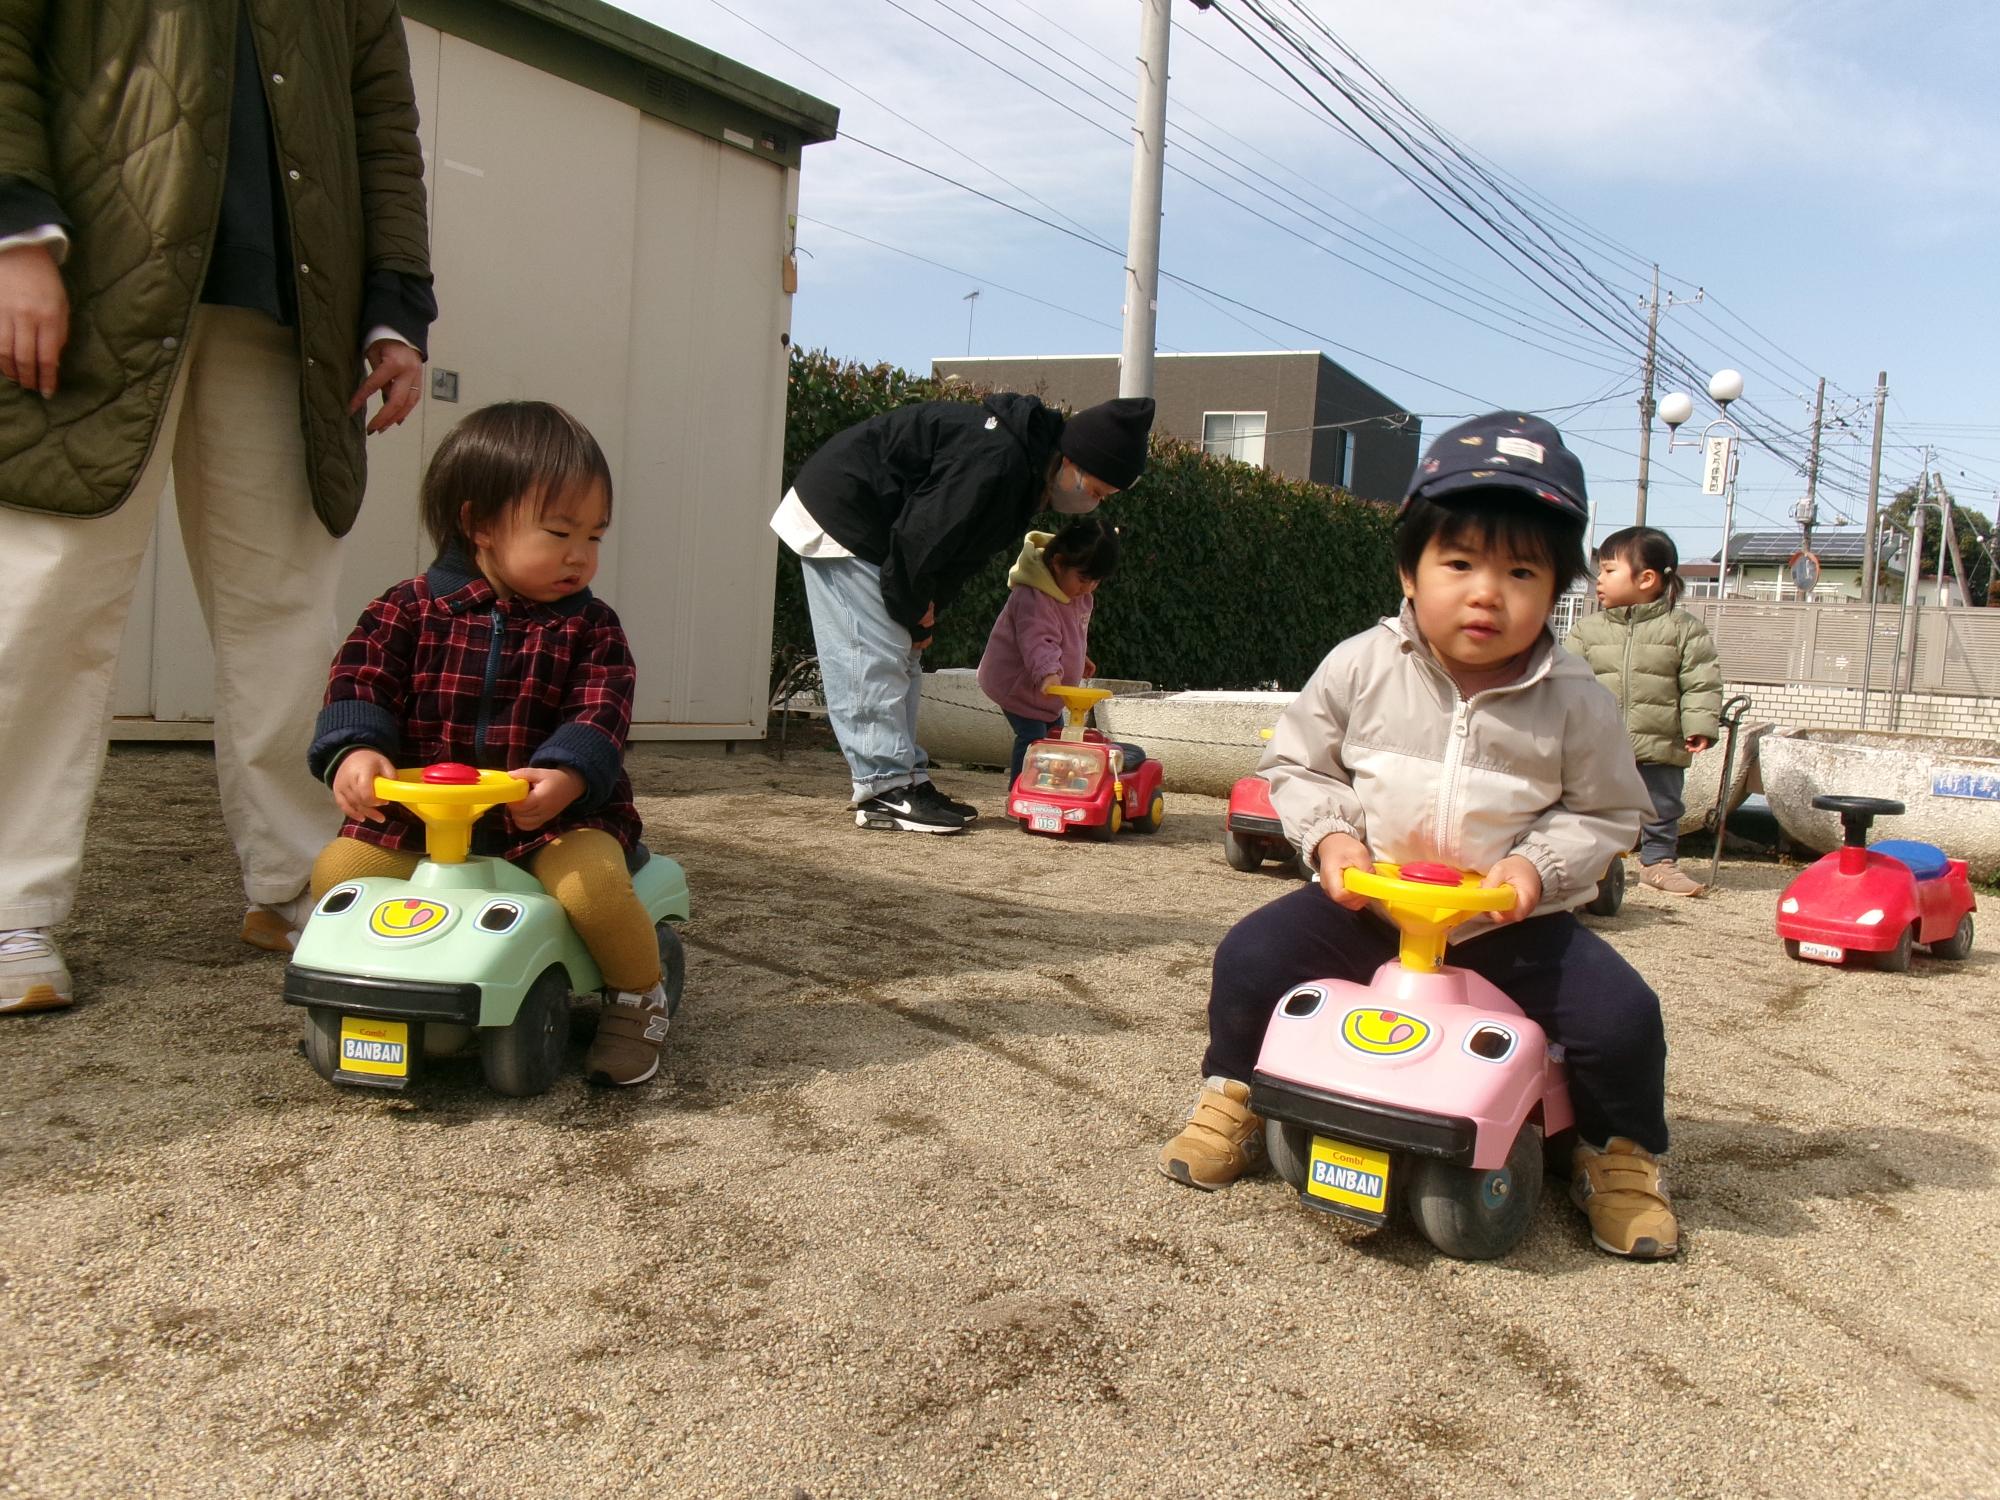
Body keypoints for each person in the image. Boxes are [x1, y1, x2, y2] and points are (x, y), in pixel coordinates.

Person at [1157, 413, 1683, 1260]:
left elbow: (1607, 811)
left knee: (1622, 1017)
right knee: (1252, 959)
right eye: (1460, 563)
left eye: (1521, 571)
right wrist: (1333, 840)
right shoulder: (1361, 664)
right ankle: (1237, 1091)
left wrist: (1535, 868)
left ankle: (1617, 1153)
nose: (1487, 593)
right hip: (1370, 903)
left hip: (1506, 922)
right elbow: (1298, 763)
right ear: (1410, 569)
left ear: (1557, 590)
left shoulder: (1576, 697)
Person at [0, 1, 437, 1014]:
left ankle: (304, 883)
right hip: (95, 275)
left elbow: (382, 119)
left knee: (287, 613)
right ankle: (10, 902)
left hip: (294, 310)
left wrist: (395, 302)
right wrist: (14, 227)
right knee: (49, 602)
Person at [306, 402, 669, 1087]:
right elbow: (359, 681)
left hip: (550, 820)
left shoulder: (590, 627)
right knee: (338, 874)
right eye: (558, 531)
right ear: (479, 525)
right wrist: (355, 749)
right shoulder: (405, 609)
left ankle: (637, 998)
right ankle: (369, 986)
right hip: (421, 821)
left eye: (594, 536)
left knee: (592, 889)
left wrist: (567, 774)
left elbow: (602, 709)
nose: (580, 555)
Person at [773, 392, 1155, 833]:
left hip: (882, 529)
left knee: (903, 656)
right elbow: (923, 535)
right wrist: (912, 608)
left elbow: (960, 551)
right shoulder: (998, 459)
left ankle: (907, 778)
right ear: (1073, 461)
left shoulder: (1027, 475)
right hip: (846, 510)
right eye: (1096, 491)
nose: (1093, 503)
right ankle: (883, 788)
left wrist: (925, 611)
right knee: (873, 654)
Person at [1564, 527, 1722, 897]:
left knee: (1661, 805)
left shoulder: (1684, 630)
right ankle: (1595, 863)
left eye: (1609, 570)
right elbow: (1566, 683)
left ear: (1646, 578)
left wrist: (1700, 725)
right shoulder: (1587, 630)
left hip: (1660, 740)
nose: (1599, 579)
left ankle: (1658, 863)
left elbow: (1701, 682)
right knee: (1593, 805)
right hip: (1599, 745)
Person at [976, 516, 1120, 784]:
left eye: (1096, 581)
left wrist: (1078, 656)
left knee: (1055, 740)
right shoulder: (1033, 596)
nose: (1088, 588)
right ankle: (1020, 793)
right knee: (1034, 740)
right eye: (1083, 579)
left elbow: (1067, 631)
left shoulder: (1077, 594)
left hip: (1047, 691)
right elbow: (1037, 639)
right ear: (1058, 562)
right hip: (1018, 685)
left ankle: (1046, 789)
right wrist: (1047, 671)